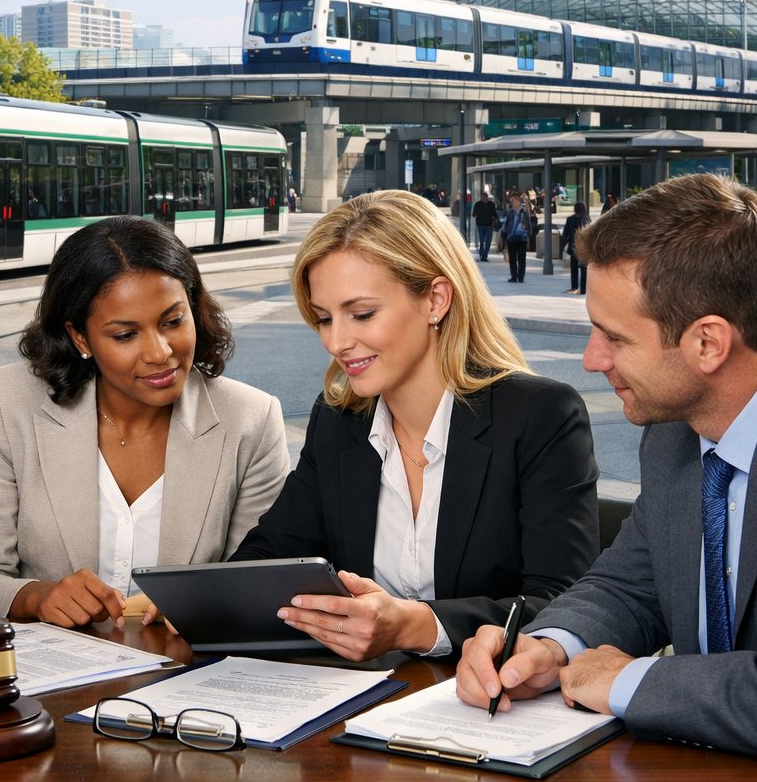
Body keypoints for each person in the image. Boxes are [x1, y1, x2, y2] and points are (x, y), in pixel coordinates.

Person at [455, 173, 757, 769]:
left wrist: (632, 683)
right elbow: (630, 585)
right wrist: (550, 647)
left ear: (708, 344)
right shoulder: (674, 428)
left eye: (614, 337)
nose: (591, 359)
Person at [232, 190, 598, 661]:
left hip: (492, 709)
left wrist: (419, 625)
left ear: (436, 300)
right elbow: (268, 557)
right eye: (324, 318)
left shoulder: (540, 416)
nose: (336, 342)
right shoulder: (338, 421)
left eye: (362, 313)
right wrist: (197, 598)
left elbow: (566, 605)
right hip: (361, 703)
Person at [0, 216, 291, 626]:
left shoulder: (252, 419)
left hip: (185, 674)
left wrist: (211, 602)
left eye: (173, 322)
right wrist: (36, 597)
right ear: (80, 337)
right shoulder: (5, 401)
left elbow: (263, 582)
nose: (160, 352)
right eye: (125, 335)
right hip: (50, 678)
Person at [560, 201, 591, 295]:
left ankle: (574, 287)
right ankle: (584, 289)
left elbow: (565, 234)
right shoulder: (587, 219)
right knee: (584, 269)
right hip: (583, 248)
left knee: (574, 269)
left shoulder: (570, 219)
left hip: (573, 247)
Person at [501, 192, 530, 283]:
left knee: (522, 258)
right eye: (512, 201)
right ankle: (513, 276)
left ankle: (521, 277)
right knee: (512, 259)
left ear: (518, 202)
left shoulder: (524, 212)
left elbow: (528, 224)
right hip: (511, 238)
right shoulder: (510, 213)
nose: (512, 203)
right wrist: (505, 236)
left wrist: (528, 235)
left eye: (514, 201)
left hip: (522, 238)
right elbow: (505, 225)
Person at [472, 188, 498, 262]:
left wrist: (493, 219)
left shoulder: (491, 204)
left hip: (489, 225)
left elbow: (495, 214)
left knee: (488, 241)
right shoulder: (478, 204)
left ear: (487, 197)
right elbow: (474, 214)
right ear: (481, 197)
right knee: (481, 241)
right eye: (482, 197)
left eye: (485, 197)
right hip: (480, 225)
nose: (484, 198)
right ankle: (481, 255)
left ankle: (484, 255)